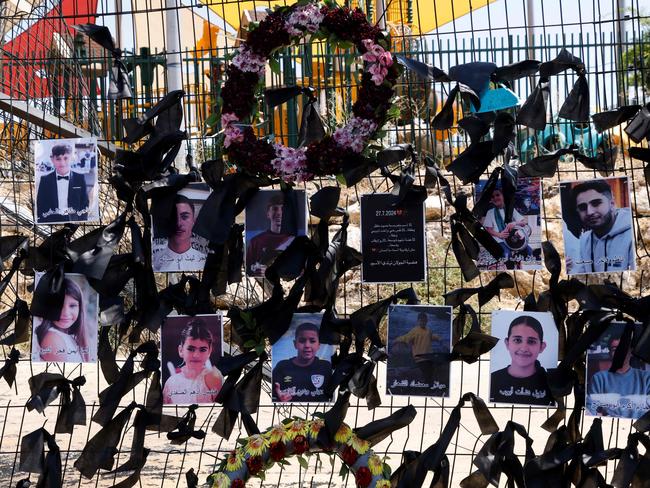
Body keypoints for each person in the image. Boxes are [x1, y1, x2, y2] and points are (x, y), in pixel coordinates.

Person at [566, 180, 635, 273]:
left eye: (596, 203)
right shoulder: (584, 240)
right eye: (582, 207)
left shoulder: (632, 234)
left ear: (612, 203)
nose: (589, 212)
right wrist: (569, 270)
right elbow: (582, 275)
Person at [490, 315, 554, 405]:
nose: (524, 348)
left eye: (531, 341)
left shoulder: (551, 384)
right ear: (507, 343)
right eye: (517, 340)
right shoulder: (493, 379)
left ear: (541, 347)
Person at [587, 333, 650, 418]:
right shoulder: (599, 378)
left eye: (624, 349)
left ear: (631, 352)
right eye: (614, 349)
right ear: (609, 353)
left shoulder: (646, 378)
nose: (619, 352)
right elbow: (590, 410)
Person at [163, 318, 223, 404]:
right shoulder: (171, 382)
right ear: (181, 350)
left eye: (202, 350)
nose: (196, 355)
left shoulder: (213, 377)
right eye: (191, 349)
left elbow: (220, 410)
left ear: (209, 351)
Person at [34, 278, 92, 362]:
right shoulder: (53, 339)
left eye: (72, 306)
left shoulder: (70, 336)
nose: (65, 313)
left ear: (80, 308)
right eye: (59, 305)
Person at [273, 322, 332, 402]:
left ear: (319, 345)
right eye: (302, 341)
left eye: (312, 341)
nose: (307, 345)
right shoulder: (282, 367)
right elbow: (274, 396)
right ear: (295, 344)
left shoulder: (326, 367)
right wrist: (280, 400)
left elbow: (331, 397)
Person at [36, 143, 90, 223]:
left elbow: (84, 203)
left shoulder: (79, 178)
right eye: (58, 159)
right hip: (51, 221)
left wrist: (80, 222)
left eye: (65, 158)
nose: (62, 163)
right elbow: (41, 205)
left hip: (74, 221)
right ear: (52, 159)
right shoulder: (45, 180)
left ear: (71, 158)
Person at [393, 311, 446, 391]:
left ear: (427, 321)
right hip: (419, 357)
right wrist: (396, 340)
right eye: (421, 321)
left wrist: (439, 338)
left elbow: (431, 337)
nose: (423, 322)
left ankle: (429, 385)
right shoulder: (415, 331)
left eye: (424, 321)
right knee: (427, 372)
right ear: (418, 321)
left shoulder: (428, 330)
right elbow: (406, 337)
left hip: (429, 356)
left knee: (432, 370)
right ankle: (427, 387)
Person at [153, 194, 207, 271]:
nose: (178, 223)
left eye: (184, 217)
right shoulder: (155, 260)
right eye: (173, 217)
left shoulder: (204, 261)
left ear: (193, 221)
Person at [246, 194, 295, 276]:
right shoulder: (256, 241)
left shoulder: (295, 241)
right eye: (275, 209)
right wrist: (257, 271)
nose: (279, 213)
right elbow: (248, 269)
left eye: (283, 209)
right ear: (268, 214)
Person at [482, 188, 530, 269]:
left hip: (513, 239)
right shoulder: (490, 212)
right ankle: (510, 268)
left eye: (497, 195)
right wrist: (499, 234)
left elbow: (524, 221)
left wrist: (515, 223)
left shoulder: (511, 210)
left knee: (528, 250)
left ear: (503, 196)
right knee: (506, 255)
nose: (495, 198)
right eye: (492, 197)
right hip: (500, 240)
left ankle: (518, 263)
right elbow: (488, 229)